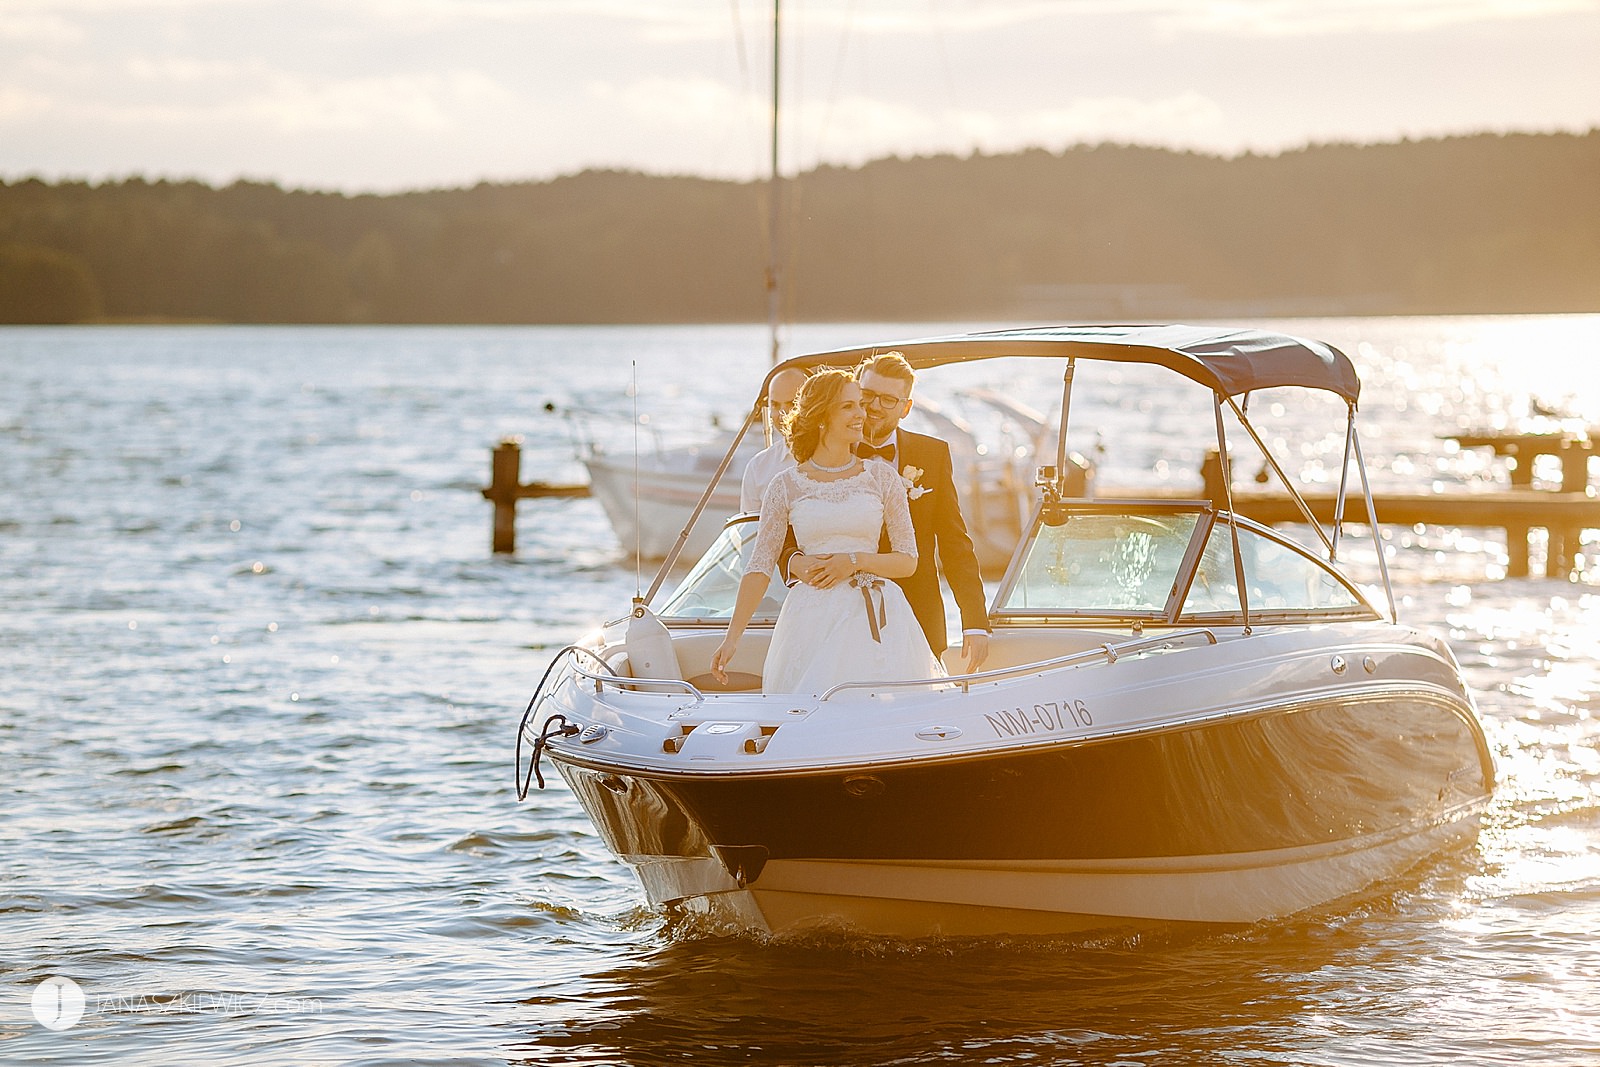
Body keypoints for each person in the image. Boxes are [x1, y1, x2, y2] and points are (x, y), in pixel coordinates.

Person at [710, 369, 943, 695]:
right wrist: (732, 638)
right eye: (849, 406)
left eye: (859, 405)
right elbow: (759, 567)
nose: (862, 414)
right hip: (810, 620)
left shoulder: (881, 478)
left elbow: (908, 561)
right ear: (821, 417)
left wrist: (854, 561)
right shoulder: (785, 485)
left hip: (878, 617)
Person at [787, 351, 991, 671]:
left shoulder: (932, 454)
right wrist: (796, 563)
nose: (874, 407)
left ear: (906, 407)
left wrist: (975, 621)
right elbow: (789, 530)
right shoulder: (822, 449)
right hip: (836, 616)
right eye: (867, 395)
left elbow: (955, 543)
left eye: (888, 400)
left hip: (916, 614)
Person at [739, 366, 808, 513]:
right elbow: (751, 530)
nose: (782, 413)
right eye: (775, 405)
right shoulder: (758, 467)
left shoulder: (840, 457)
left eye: (792, 404)